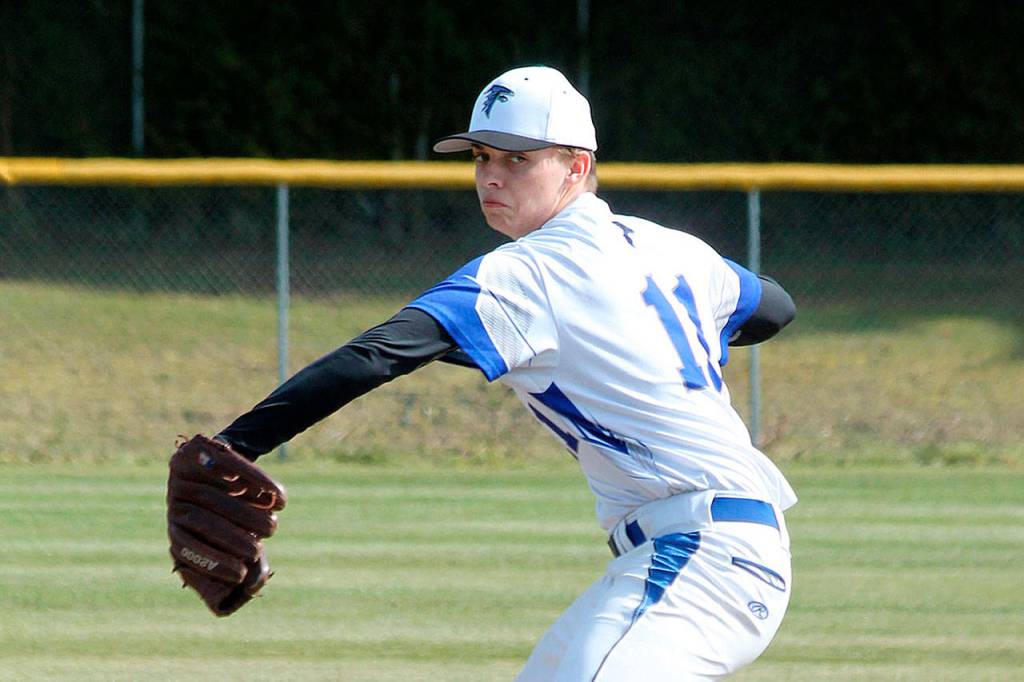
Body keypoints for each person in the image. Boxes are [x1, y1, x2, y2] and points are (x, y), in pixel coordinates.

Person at [215, 65, 797, 680]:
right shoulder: (670, 247)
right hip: (684, 553)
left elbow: (376, 354)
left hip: (706, 557)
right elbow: (775, 306)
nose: (491, 174)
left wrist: (234, 445)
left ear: (577, 166)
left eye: (519, 160)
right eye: (482, 156)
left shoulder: (528, 272)